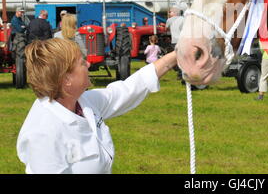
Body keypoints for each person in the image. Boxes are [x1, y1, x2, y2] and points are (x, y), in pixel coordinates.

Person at [16, 38, 178, 174]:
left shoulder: (83, 102)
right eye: (81, 63)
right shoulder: (43, 133)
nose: (87, 64)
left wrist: (177, 55)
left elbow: (129, 90)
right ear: (66, 80)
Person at [166, 6, 184, 80]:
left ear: (175, 13)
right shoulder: (184, 19)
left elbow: (166, 28)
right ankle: (182, 72)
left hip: (175, 41)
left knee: (177, 58)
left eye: (170, 12)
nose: (169, 13)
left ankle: (180, 73)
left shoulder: (170, 20)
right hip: (183, 40)